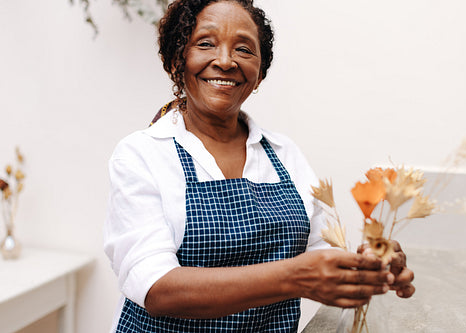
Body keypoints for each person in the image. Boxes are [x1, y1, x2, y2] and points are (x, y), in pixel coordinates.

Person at [103, 0, 415, 332]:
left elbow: (317, 253)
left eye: (244, 49)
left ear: (260, 73)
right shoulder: (142, 154)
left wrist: (367, 265)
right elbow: (157, 289)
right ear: (176, 59)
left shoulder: (284, 154)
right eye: (205, 43)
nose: (225, 61)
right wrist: (296, 277)